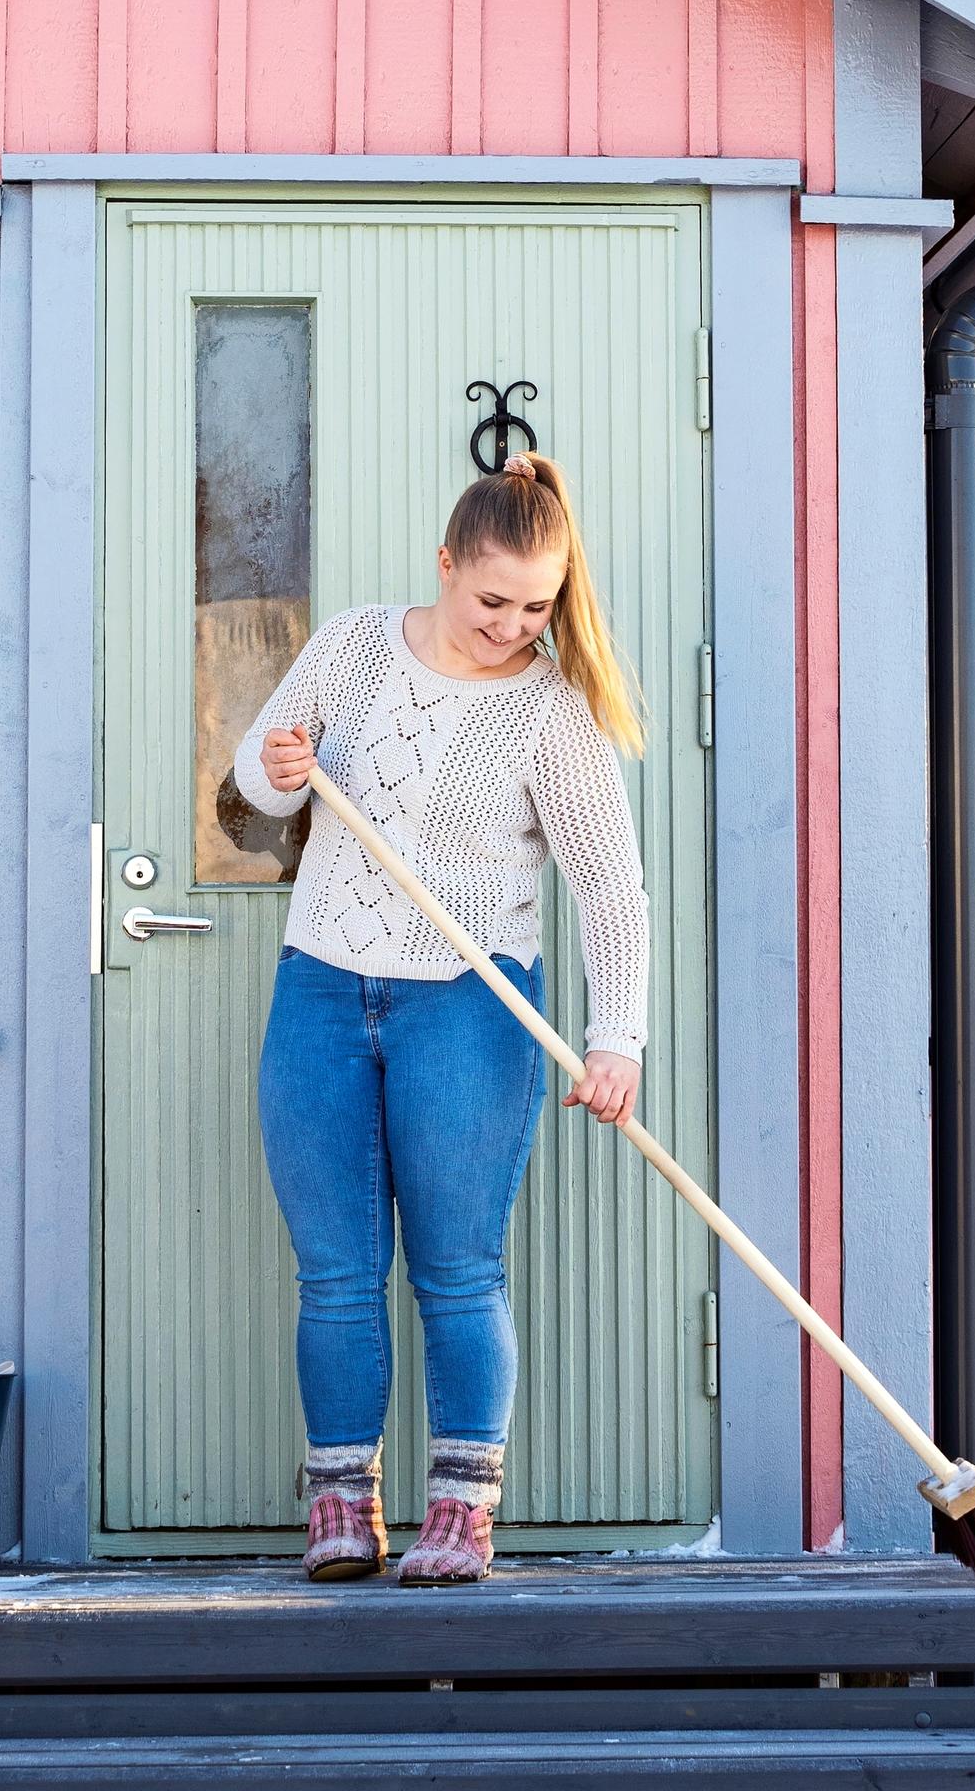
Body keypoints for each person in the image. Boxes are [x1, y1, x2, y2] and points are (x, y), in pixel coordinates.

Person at [231, 449, 650, 1585]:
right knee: (333, 1268)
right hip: (320, 986)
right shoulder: (356, 645)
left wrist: (618, 1039)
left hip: (469, 1005)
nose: (513, 623)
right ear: (445, 564)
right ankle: (339, 1507)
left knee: (456, 1269)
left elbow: (609, 887)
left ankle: (459, 1514)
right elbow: (262, 780)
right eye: (491, 599)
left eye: (537, 604)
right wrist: (273, 766)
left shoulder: (549, 715)